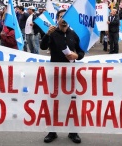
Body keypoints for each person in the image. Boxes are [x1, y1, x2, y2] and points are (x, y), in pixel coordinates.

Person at [40, 9, 85, 144]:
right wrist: (47, 34)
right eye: (61, 17)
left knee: (72, 103)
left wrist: (76, 56)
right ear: (57, 19)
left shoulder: (74, 35)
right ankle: (52, 131)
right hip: (55, 74)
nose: (64, 19)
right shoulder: (52, 33)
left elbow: (81, 51)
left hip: (70, 75)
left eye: (66, 17)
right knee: (54, 103)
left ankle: (73, 132)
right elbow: (42, 47)